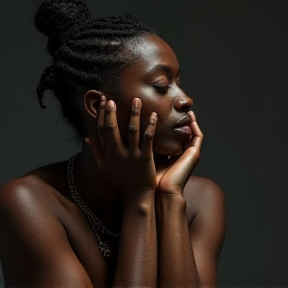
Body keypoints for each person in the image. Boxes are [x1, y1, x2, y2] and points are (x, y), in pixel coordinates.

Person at [0, 0, 226, 287]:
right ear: (97, 105)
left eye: (179, 82)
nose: (185, 99)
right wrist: (139, 201)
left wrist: (168, 198)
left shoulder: (199, 198)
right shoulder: (28, 203)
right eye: (161, 85)